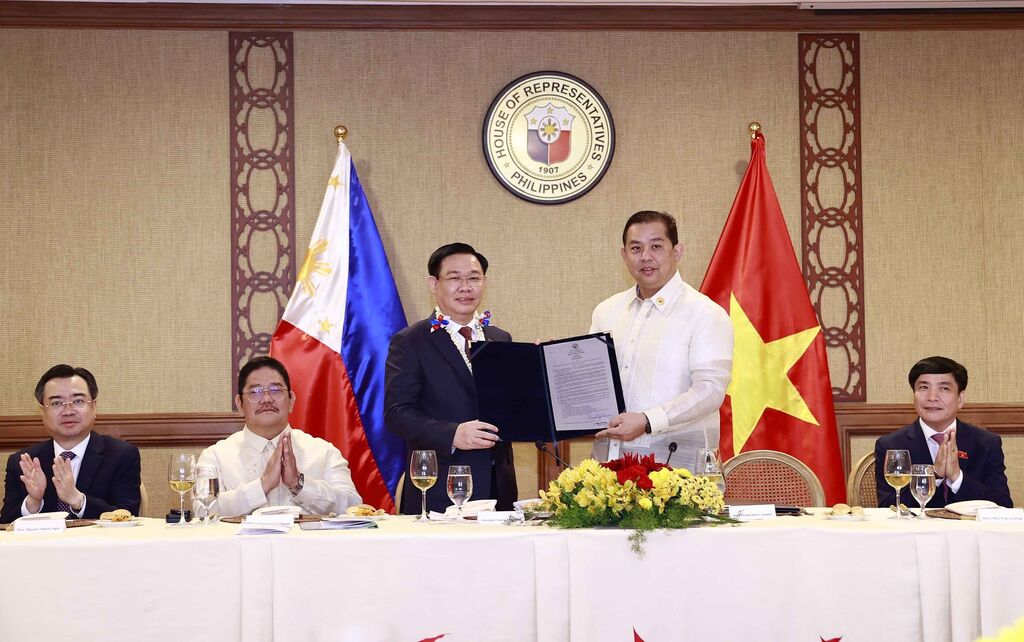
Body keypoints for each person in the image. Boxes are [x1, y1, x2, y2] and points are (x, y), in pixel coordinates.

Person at [592, 210, 734, 470]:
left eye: (656, 246)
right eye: (636, 248)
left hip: (681, 470)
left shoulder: (705, 314)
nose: (646, 256)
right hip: (609, 467)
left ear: (677, 252)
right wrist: (556, 365)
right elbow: (594, 381)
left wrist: (648, 420)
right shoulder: (606, 311)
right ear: (624, 255)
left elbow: (710, 391)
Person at [385, 242, 517, 514]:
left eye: (474, 278)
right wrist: (453, 434)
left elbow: (512, 407)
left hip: (499, 488)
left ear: (484, 282)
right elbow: (397, 413)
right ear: (434, 284)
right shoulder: (410, 341)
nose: (465, 287)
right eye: (455, 278)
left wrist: (537, 369)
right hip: (439, 488)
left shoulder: (500, 338)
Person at [197, 356, 362, 517]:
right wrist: (262, 485)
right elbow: (202, 510)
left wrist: (298, 483)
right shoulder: (215, 456)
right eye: (255, 392)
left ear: (291, 401)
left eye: (276, 390)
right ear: (240, 404)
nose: (266, 399)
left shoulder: (324, 452)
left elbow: (353, 506)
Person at [1, 364, 141, 522]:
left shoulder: (121, 455)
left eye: (78, 401)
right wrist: (33, 502)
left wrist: (78, 500)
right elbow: (5, 524)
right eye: (56, 403)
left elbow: (128, 515)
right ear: (42, 412)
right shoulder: (23, 462)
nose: (68, 411)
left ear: (93, 407)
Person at [875, 356, 1012, 508]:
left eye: (944, 388)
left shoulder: (986, 443)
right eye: (923, 387)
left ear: (960, 399)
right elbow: (888, 507)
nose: (932, 397)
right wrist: (935, 476)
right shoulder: (891, 445)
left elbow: (1003, 505)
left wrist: (957, 477)